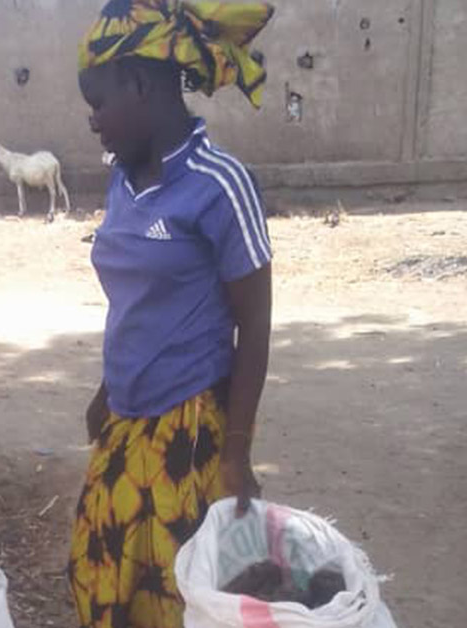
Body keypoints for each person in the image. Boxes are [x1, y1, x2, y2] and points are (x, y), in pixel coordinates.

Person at [67, 1, 275, 626]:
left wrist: (235, 453)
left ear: (139, 83)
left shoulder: (221, 183)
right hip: (125, 421)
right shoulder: (121, 182)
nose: (93, 121)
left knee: (176, 599)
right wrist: (108, 389)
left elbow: (255, 327)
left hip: (190, 431)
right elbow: (138, 302)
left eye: (99, 102)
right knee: (97, 575)